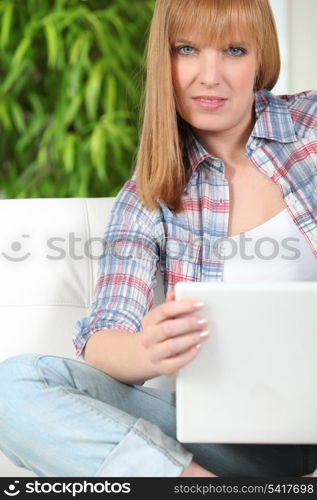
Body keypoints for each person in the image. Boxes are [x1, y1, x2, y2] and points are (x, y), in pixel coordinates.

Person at [0, 0, 317, 478]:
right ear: (163, 60)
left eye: (233, 49)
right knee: (12, 389)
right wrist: (148, 350)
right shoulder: (148, 197)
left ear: (260, 60)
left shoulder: (310, 127)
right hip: (228, 445)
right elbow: (104, 334)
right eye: (187, 49)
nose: (210, 76)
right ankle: (194, 486)